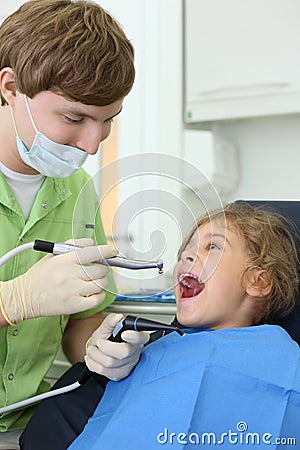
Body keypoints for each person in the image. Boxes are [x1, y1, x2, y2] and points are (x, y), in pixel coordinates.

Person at [22, 201, 300, 449]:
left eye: (212, 246)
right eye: (184, 253)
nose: (186, 258)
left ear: (258, 281)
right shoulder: (150, 351)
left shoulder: (283, 360)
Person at [0, 0, 148, 444]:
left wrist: (98, 344)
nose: (90, 144)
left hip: (24, 426)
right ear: (10, 87)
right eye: (74, 117)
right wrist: (13, 301)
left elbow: (82, 316)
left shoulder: (80, 189)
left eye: (107, 121)